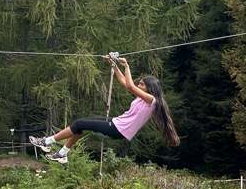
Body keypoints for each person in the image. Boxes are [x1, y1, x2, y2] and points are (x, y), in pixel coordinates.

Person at [29, 56, 180, 164]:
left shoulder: (152, 101)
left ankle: (47, 142)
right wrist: (114, 65)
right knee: (80, 125)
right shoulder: (144, 98)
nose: (139, 86)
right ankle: (62, 154)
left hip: (119, 130)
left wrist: (126, 67)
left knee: (80, 123)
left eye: (141, 84)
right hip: (116, 123)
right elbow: (124, 82)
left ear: (150, 87)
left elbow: (129, 86)